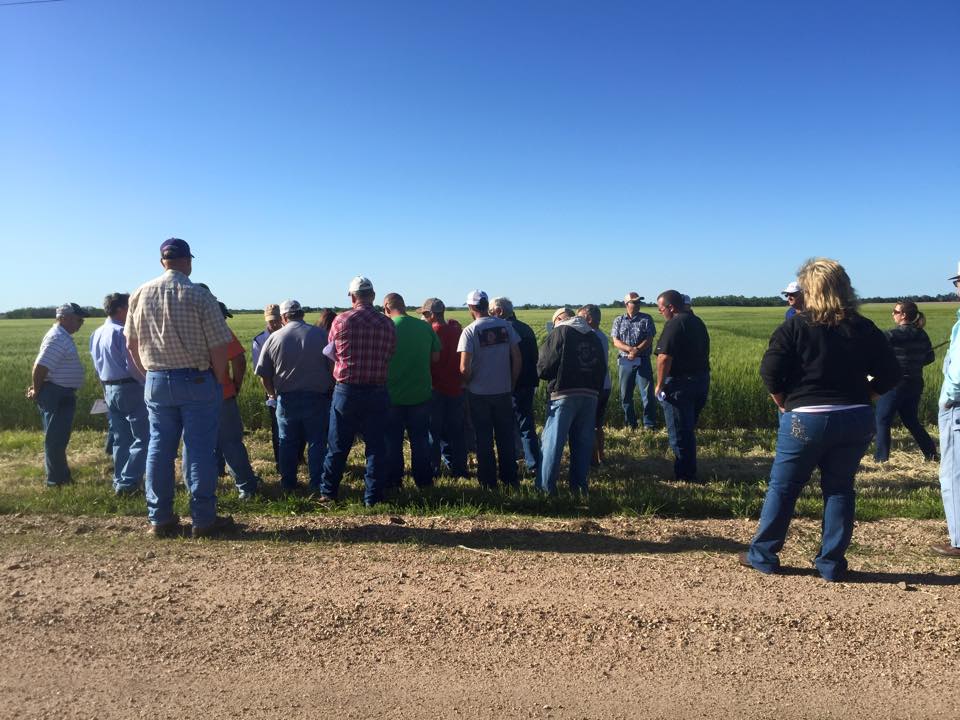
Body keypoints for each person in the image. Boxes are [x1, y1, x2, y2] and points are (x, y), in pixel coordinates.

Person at [741, 258, 900, 580]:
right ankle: (831, 564)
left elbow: (770, 372)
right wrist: (864, 397)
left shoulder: (795, 326)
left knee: (784, 488)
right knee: (840, 489)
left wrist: (784, 402)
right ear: (845, 288)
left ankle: (764, 555)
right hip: (855, 418)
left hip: (804, 419)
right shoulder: (864, 327)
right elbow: (892, 373)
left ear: (808, 290)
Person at [125, 238, 234, 539]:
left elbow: (131, 345)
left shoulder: (139, 294)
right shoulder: (198, 295)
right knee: (198, 449)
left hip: (157, 380)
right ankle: (203, 518)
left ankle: (159, 518)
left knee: (159, 448)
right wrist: (219, 378)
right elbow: (218, 345)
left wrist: (148, 373)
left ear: (162, 262)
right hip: (197, 379)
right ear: (188, 261)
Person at [318, 276, 396, 506]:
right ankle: (373, 497)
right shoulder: (387, 323)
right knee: (376, 447)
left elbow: (331, 354)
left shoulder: (341, 321)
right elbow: (389, 354)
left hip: (346, 390)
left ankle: (329, 493)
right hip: (377, 391)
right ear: (372, 296)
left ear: (352, 297)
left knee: (338, 446)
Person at [255, 299, 333, 493]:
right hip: (317, 397)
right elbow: (333, 366)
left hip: (286, 399)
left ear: (283, 317)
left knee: (287, 442)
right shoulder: (321, 335)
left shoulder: (274, 338)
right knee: (317, 442)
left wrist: (272, 394)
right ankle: (317, 484)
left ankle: (288, 484)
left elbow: (264, 374)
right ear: (302, 314)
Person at [536, 309, 606, 495]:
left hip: (563, 393)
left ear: (560, 320)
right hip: (590, 394)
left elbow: (545, 365)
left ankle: (546, 489)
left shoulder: (561, 331)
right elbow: (602, 367)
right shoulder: (594, 336)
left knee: (553, 443)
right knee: (583, 444)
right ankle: (579, 489)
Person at [458, 290, 522, 489]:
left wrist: (467, 383)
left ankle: (488, 481)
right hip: (503, 391)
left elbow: (463, 367)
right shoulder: (506, 326)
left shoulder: (469, 331)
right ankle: (510, 479)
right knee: (505, 437)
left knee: (483, 439)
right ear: (486, 305)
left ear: (471, 308)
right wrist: (511, 384)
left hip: (478, 394)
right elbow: (517, 358)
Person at [89, 293, 148, 495]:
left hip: (109, 387)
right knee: (143, 437)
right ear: (122, 309)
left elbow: (96, 366)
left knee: (121, 438)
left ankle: (119, 479)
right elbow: (132, 365)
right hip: (130, 387)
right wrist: (147, 382)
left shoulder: (96, 333)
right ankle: (129, 483)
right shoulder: (122, 332)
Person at [27, 302, 90, 487]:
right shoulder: (57, 337)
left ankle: (61, 477)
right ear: (64, 318)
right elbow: (40, 367)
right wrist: (36, 390)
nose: (81, 323)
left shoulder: (62, 336)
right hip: (55, 393)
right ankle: (56, 481)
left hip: (60, 392)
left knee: (59, 437)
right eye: (79, 319)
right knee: (55, 439)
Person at [206, 295, 261, 500]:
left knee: (198, 443)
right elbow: (238, 359)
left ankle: (203, 488)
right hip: (221, 393)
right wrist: (235, 385)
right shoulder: (217, 328)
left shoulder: (180, 328)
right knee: (231, 442)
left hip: (189, 396)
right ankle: (246, 488)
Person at [383, 292, 440, 490]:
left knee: (392, 441)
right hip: (420, 393)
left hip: (392, 394)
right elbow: (435, 359)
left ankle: (393, 481)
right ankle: (424, 481)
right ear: (404, 306)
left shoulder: (387, 327)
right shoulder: (424, 327)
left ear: (386, 308)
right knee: (420, 441)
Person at [654, 289, 710, 482]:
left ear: (671, 307)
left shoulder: (674, 324)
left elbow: (663, 358)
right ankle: (689, 468)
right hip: (701, 381)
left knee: (679, 431)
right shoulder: (697, 321)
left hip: (679, 385)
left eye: (661, 309)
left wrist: (659, 385)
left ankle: (685, 476)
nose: (661, 313)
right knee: (688, 428)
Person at [874, 300, 938, 463]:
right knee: (911, 421)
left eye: (895, 312)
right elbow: (930, 357)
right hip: (915, 384)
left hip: (896, 385)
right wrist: (914, 363)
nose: (892, 314)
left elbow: (875, 341)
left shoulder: (894, 335)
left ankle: (881, 460)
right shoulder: (922, 334)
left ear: (903, 315)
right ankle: (931, 453)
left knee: (882, 420)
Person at [491, 296, 542, 480]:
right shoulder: (526, 328)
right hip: (528, 382)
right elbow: (535, 356)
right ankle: (534, 464)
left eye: (491, 311)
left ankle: (511, 462)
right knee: (526, 424)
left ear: (499, 311)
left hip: (510, 382)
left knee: (506, 425)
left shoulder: (502, 329)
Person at [418, 298, 469, 478]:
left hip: (434, 388)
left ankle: (434, 470)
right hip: (456, 387)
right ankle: (460, 469)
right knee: (457, 432)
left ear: (431, 314)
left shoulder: (429, 333)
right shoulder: (458, 332)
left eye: (425, 314)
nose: (424, 318)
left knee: (434, 432)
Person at [933, 264, 960, 557]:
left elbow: (958, 373)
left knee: (954, 473)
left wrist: (948, 399)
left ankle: (959, 540)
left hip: (958, 407)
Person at [611, 292, 657, 430]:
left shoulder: (646, 319)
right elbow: (615, 341)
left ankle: (649, 424)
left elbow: (649, 339)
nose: (637, 305)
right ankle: (630, 424)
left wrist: (636, 350)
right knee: (625, 395)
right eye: (634, 302)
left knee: (647, 394)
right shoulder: (618, 320)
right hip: (625, 362)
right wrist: (630, 350)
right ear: (626, 304)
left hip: (642, 360)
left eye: (638, 302)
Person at [578, 304, 612, 465]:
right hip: (605, 385)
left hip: (594, 387)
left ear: (589, 319)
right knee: (598, 424)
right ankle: (601, 456)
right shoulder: (602, 336)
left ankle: (591, 459)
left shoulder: (589, 336)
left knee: (588, 425)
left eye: (580, 317)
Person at [252, 303, 283, 467]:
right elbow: (260, 370)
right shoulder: (259, 340)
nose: (275, 324)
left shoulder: (288, 334)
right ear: (266, 320)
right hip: (272, 387)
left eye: (277, 320)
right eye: (271, 321)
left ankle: (297, 457)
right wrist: (271, 393)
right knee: (277, 426)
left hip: (289, 385)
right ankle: (280, 460)